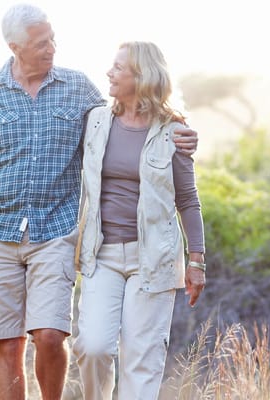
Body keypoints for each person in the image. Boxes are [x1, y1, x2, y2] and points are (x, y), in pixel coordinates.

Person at [0, 5, 199, 400]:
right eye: (41, 43)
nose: (52, 47)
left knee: (51, 336)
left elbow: (130, 117)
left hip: (54, 232)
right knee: (8, 343)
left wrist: (181, 132)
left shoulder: (78, 87)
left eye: (52, 38)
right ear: (14, 46)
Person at [71, 41, 207, 400]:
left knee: (141, 361)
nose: (109, 73)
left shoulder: (173, 130)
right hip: (102, 256)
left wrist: (197, 261)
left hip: (154, 259)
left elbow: (188, 201)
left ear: (141, 76)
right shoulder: (97, 121)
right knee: (94, 347)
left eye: (118, 68)